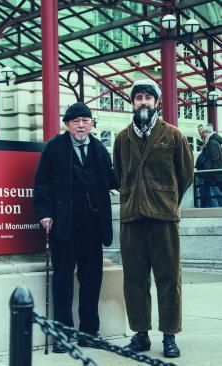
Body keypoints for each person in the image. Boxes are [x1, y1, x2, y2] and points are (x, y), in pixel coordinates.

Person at [113, 79, 194, 358]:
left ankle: (169, 335)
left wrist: (167, 199)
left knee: (169, 277)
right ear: (133, 103)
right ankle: (141, 334)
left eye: (148, 97)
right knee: (134, 279)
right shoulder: (122, 137)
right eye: (139, 98)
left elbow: (186, 174)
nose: (143, 102)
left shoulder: (173, 135)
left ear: (156, 102)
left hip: (163, 217)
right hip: (132, 217)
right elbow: (119, 172)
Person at [33, 102, 115, 353]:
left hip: (93, 226)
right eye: (76, 121)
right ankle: (63, 334)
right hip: (64, 226)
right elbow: (42, 184)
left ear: (91, 124)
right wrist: (45, 213)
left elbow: (113, 179)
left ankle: (89, 332)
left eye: (85, 120)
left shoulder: (100, 149)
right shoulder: (54, 148)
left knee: (92, 280)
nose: (81, 125)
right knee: (62, 281)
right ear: (67, 125)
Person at [202, 125, 222, 207]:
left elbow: (215, 158)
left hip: (213, 173)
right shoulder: (211, 142)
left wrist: (213, 172)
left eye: (205, 132)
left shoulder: (212, 142)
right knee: (214, 190)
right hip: (212, 173)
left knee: (215, 190)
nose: (203, 134)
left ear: (209, 132)